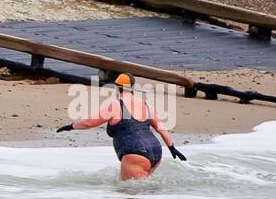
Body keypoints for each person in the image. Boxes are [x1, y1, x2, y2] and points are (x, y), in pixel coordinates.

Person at [57, 73, 186, 180]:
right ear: (133, 87)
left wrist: (70, 126)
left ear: (117, 88)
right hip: (156, 152)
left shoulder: (115, 105)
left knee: (128, 196)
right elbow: (161, 128)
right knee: (145, 192)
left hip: (136, 154)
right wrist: (172, 148)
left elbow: (89, 123)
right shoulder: (145, 104)